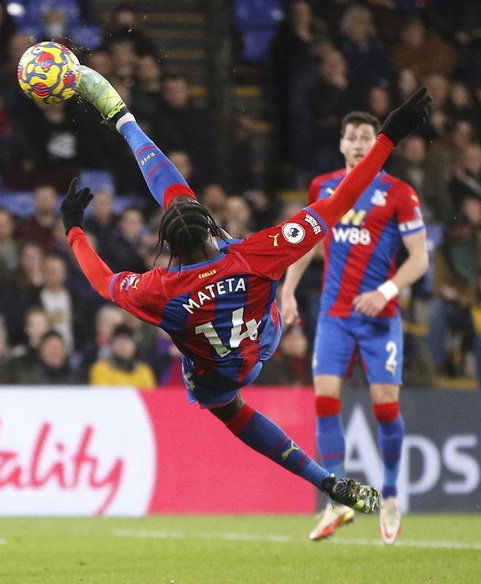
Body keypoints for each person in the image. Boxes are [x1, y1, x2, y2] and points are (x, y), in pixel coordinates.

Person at [58, 66, 430, 519]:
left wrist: (76, 231)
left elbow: (102, 281)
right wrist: (388, 136)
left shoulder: (158, 290)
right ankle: (124, 120)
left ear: (169, 248)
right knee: (192, 210)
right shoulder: (260, 252)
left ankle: (323, 479)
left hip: (216, 373)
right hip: (262, 339)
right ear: (212, 227)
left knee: (233, 413)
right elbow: (338, 202)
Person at [279, 109, 430, 545]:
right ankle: (339, 500)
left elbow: (419, 258)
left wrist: (386, 290)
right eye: (353, 137)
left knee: (385, 407)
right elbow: (305, 241)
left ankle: (391, 496)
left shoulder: (399, 192)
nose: (361, 144)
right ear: (342, 144)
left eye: (368, 137)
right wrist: (288, 291)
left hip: (379, 317)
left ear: (374, 143)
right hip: (334, 315)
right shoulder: (323, 187)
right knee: (325, 402)